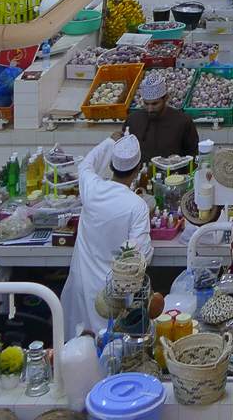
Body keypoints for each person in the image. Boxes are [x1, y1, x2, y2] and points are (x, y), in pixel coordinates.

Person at [64, 133, 152, 336]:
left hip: (83, 284)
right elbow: (142, 255)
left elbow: (86, 164)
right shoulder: (137, 205)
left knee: (81, 347)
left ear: (111, 166)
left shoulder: (92, 188)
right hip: (114, 293)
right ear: (138, 169)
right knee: (112, 350)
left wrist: (109, 142)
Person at [124, 73, 200, 160]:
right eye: (146, 104)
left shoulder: (183, 121)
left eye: (155, 103)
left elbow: (192, 153)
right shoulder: (133, 120)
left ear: (166, 99)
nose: (150, 109)